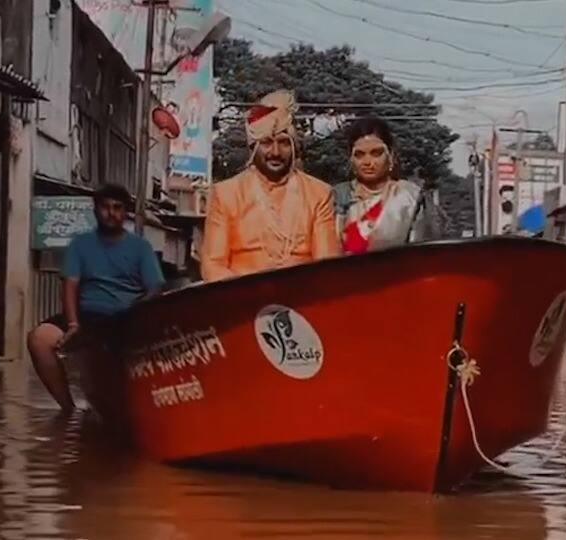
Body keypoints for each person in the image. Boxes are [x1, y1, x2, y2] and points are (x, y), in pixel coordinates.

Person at [27, 183, 165, 412]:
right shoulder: (80, 245)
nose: (111, 213)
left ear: (125, 212)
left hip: (125, 316)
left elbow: (154, 288)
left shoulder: (141, 247)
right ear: (95, 210)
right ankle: (68, 408)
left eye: (117, 207)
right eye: (105, 207)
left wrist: (140, 313)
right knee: (39, 339)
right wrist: (72, 323)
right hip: (85, 316)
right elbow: (70, 285)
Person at [200, 89, 341, 281]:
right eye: (266, 142)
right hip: (241, 300)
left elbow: (326, 267)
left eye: (283, 142)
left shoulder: (319, 194)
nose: (275, 152)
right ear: (253, 147)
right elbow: (213, 266)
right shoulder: (225, 194)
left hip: (302, 301)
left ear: (293, 146)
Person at [333, 117, 446, 254]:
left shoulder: (410, 196)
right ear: (351, 159)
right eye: (360, 155)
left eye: (376, 153)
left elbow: (423, 254)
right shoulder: (337, 197)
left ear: (390, 155)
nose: (368, 162)